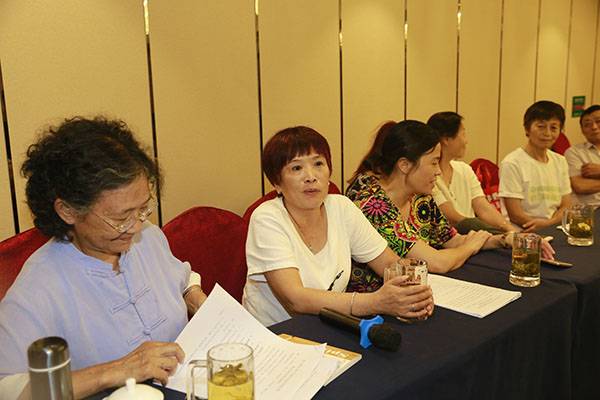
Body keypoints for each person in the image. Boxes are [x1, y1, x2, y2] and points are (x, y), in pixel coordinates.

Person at [0, 117, 207, 399]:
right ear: (68, 211)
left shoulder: (148, 238)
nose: (136, 226)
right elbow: (7, 387)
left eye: (143, 209)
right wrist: (113, 371)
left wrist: (194, 296)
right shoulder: (39, 286)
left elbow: (179, 277)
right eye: (121, 218)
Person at [243, 126, 434, 327]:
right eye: (296, 168)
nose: (311, 176)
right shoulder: (266, 218)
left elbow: (389, 264)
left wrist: (414, 293)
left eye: (318, 164)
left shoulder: (341, 207)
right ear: (277, 183)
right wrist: (375, 302)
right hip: (274, 333)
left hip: (329, 325)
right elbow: (295, 300)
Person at [345, 120, 538, 292]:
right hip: (373, 302)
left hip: (416, 290)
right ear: (404, 165)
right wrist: (471, 246)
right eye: (434, 163)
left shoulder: (420, 196)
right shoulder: (372, 203)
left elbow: (452, 240)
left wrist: (503, 239)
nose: (438, 171)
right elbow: (436, 262)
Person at [427, 111, 516, 234]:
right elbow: (452, 217)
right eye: (463, 134)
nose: (466, 141)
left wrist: (510, 229)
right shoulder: (429, 175)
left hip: (476, 236)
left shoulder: (465, 169)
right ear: (446, 139)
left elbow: (483, 208)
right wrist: (491, 233)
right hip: (451, 240)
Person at [499, 101, 572, 232]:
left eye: (553, 128)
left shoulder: (560, 161)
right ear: (527, 129)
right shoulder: (512, 163)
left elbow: (566, 205)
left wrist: (549, 224)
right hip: (524, 232)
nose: (547, 133)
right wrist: (542, 226)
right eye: (541, 126)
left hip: (555, 228)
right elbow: (515, 214)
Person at [565, 104, 600, 207]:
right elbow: (580, 186)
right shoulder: (574, 152)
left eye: (598, 121)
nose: (594, 127)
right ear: (582, 130)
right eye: (587, 124)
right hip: (591, 209)